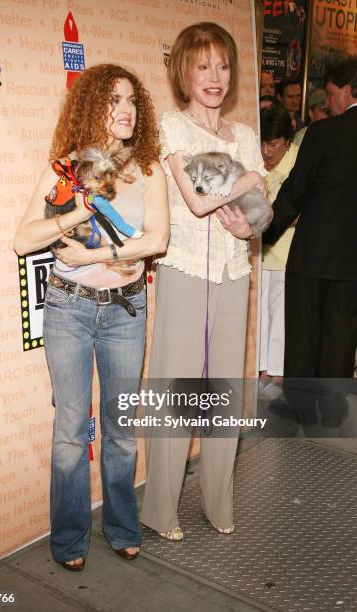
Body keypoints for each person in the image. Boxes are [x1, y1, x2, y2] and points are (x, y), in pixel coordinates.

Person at [13, 64, 169, 570]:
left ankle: (122, 526)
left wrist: (91, 256)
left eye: (131, 101)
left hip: (125, 310)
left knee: (121, 428)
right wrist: (78, 212)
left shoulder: (149, 170)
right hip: (68, 309)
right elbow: (22, 240)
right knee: (71, 430)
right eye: (113, 100)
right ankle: (69, 539)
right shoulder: (63, 169)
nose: (125, 110)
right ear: (91, 106)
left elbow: (157, 242)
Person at [140, 22, 268, 540]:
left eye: (221, 65)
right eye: (202, 65)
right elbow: (195, 200)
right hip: (186, 269)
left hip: (234, 272)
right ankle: (159, 509)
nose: (214, 76)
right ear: (183, 72)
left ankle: (218, 503)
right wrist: (247, 181)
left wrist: (251, 214)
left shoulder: (247, 137)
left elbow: (259, 214)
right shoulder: (173, 127)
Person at [263, 56, 357, 380]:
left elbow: (294, 192)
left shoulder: (323, 133)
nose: (328, 103)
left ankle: (301, 412)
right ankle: (331, 419)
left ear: (347, 91)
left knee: (303, 342)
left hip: (311, 257)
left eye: (330, 95)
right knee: (341, 342)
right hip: (352, 266)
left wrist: (264, 233)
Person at [259, 105, 299, 400]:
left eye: (273, 144)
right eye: (263, 143)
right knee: (261, 316)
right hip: (258, 253)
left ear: (287, 141)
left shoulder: (299, 164)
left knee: (281, 318)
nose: (267, 151)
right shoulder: (256, 162)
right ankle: (262, 370)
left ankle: (278, 373)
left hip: (287, 253)